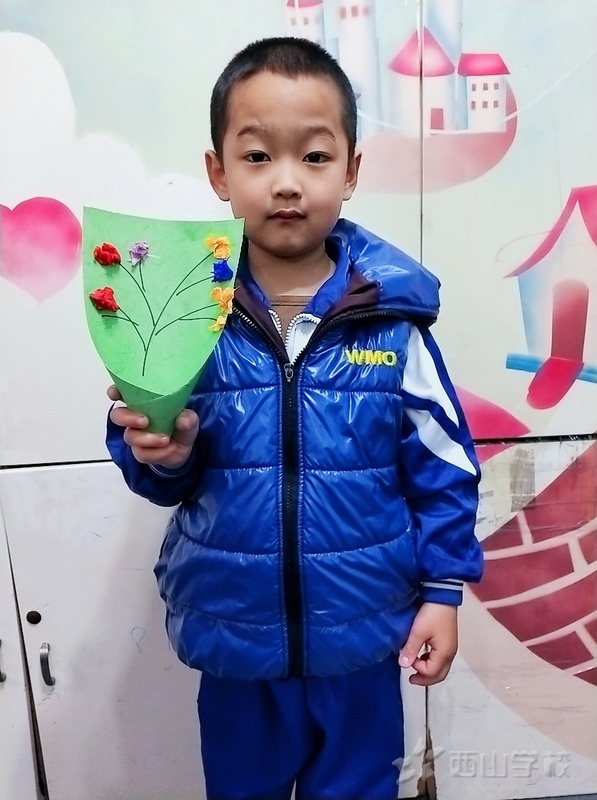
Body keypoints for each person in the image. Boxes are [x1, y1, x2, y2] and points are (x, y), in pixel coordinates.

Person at [106, 36, 483, 800]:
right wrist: (161, 454)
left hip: (362, 644)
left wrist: (443, 592)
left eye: (313, 157)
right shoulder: (180, 314)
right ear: (218, 171)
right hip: (235, 643)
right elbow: (163, 472)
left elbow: (446, 468)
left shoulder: (392, 325)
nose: (286, 181)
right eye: (257, 156)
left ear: (351, 170)